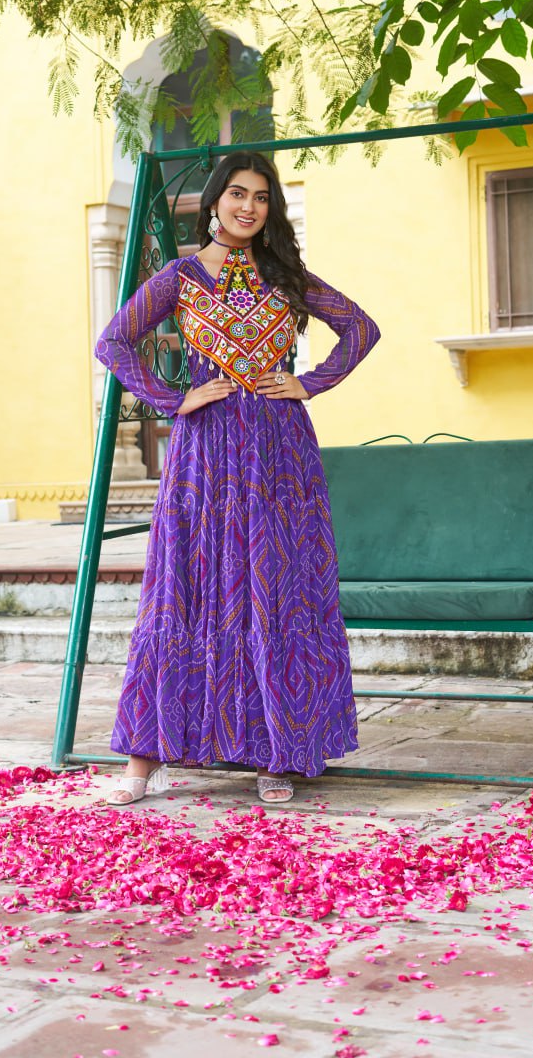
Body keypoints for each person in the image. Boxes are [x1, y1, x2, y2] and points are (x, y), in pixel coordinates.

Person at [95, 150, 380, 805]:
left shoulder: (287, 275)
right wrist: (174, 398)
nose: (248, 205)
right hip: (205, 452)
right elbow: (113, 343)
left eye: (260, 196)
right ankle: (144, 761)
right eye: (237, 193)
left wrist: (307, 384)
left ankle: (274, 754)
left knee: (273, 592)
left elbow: (361, 330)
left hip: (280, 452)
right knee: (184, 589)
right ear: (214, 199)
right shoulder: (180, 275)